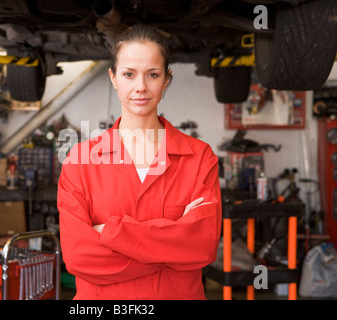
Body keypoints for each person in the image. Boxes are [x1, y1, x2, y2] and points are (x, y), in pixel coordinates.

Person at [57, 24, 222, 300]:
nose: (141, 87)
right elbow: (79, 258)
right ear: (113, 78)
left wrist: (111, 232)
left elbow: (202, 246)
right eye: (129, 74)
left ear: (167, 79)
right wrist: (172, 249)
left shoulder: (198, 157)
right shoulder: (80, 161)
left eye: (153, 75)